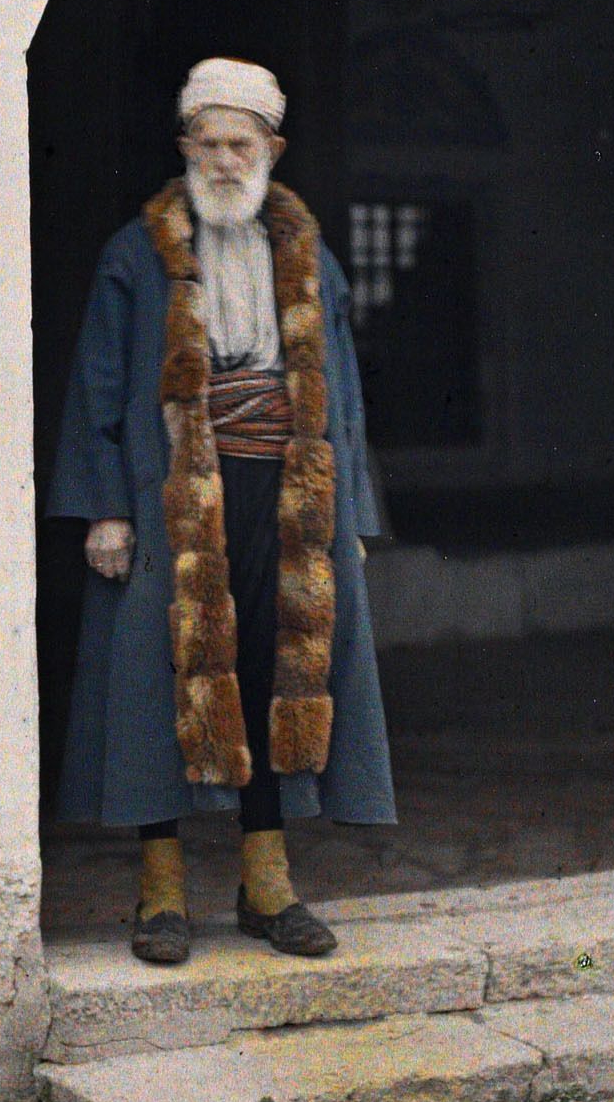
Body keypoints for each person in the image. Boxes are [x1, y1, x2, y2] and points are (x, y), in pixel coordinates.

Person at [46, 57, 396, 965]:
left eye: (242, 143)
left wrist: (347, 517)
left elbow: (343, 393)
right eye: (208, 143)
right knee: (154, 680)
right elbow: (98, 386)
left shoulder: (306, 256)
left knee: (275, 673)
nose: (225, 160)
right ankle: (160, 893)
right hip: (169, 500)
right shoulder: (138, 253)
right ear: (184, 149)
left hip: (284, 497)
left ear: (272, 150)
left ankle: (266, 886)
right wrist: (104, 513)